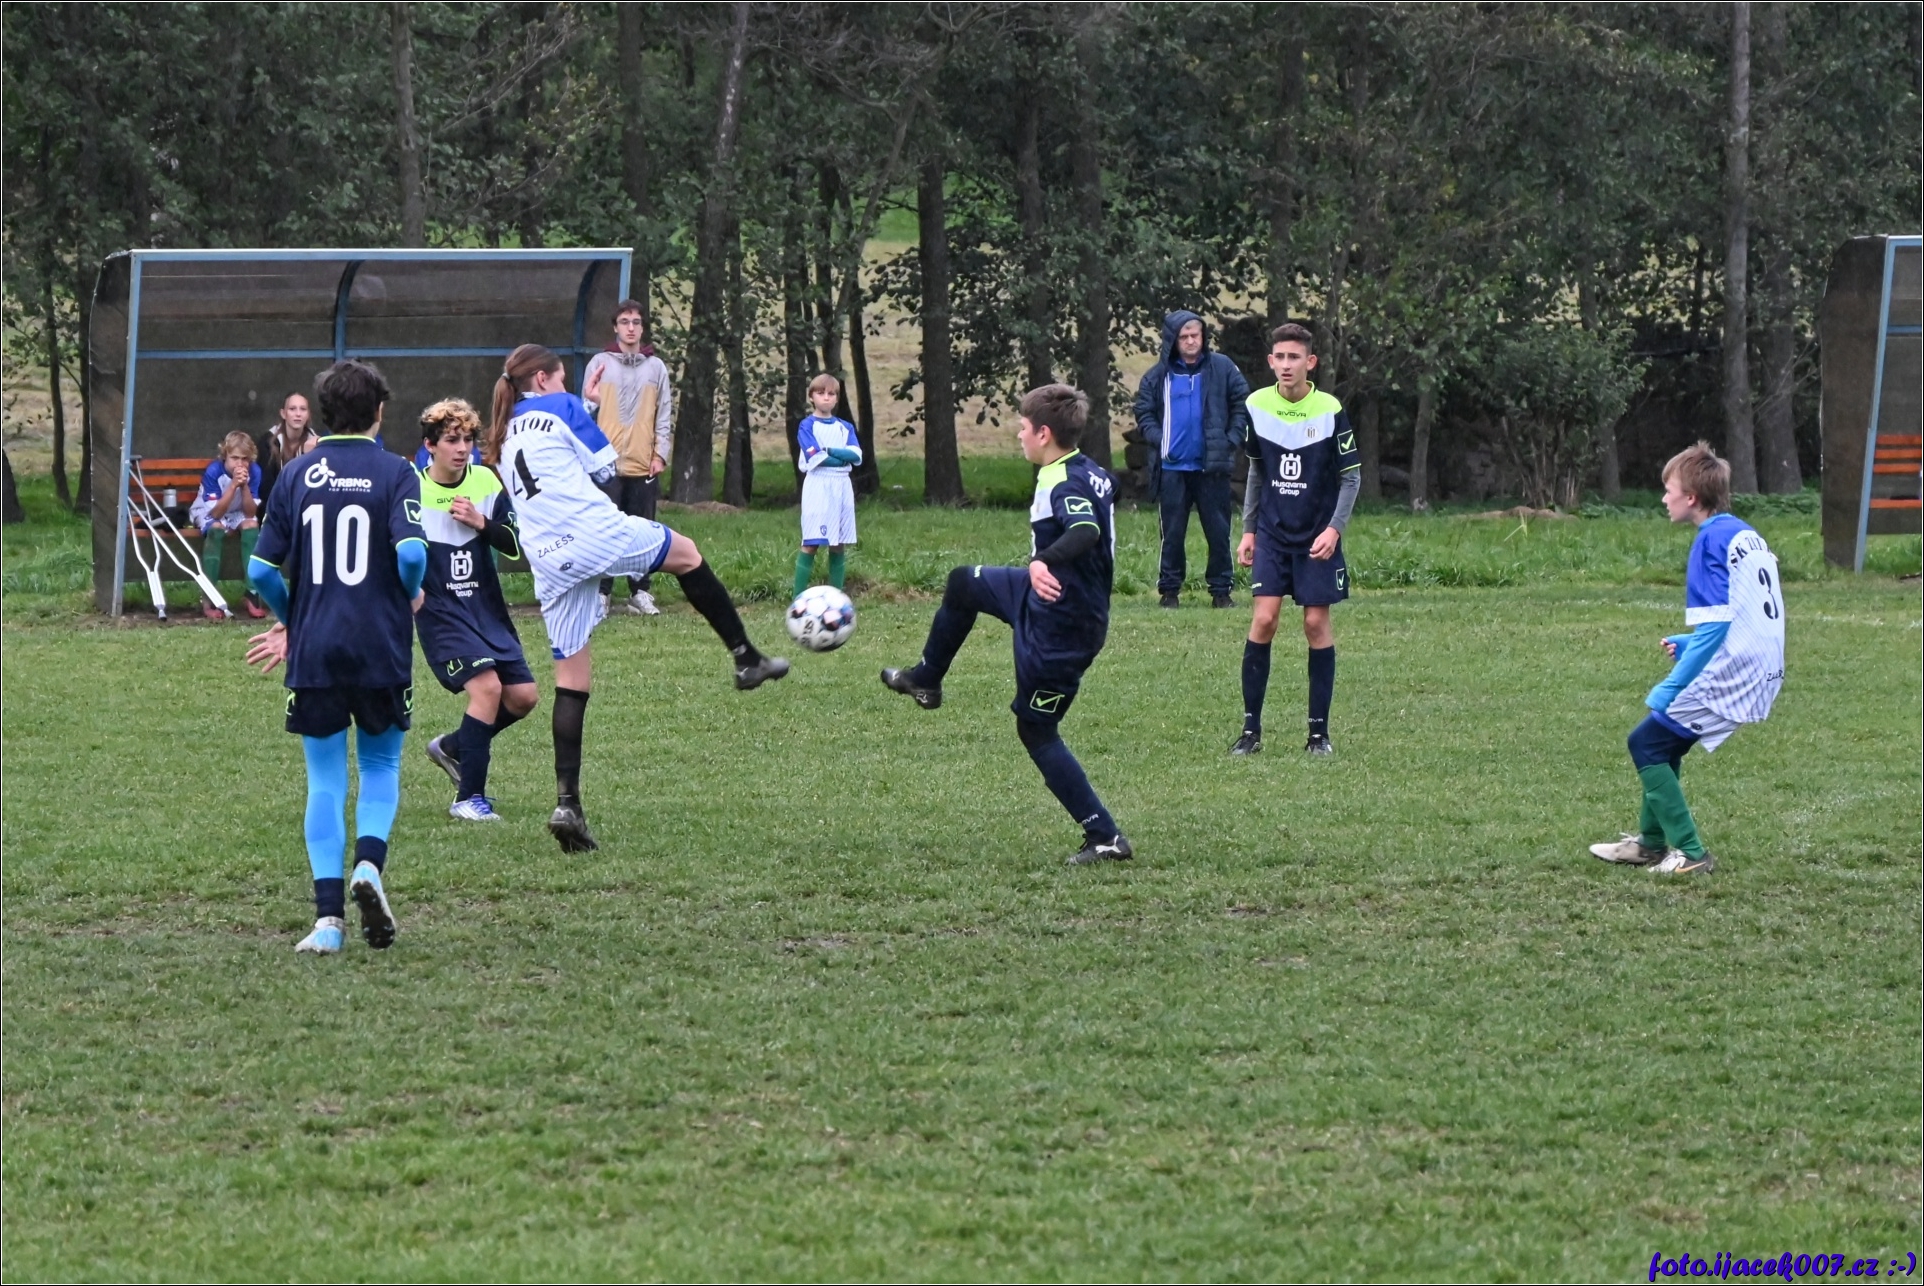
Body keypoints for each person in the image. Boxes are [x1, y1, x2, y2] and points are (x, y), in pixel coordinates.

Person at [486, 343, 789, 854]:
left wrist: (582, 408)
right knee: (687, 555)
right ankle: (746, 657)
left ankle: (567, 804)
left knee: (571, 678)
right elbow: (607, 467)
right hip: (591, 533)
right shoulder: (563, 406)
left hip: (547, 558)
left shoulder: (504, 428)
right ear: (542, 379)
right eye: (561, 379)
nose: (565, 387)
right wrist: (586, 406)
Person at [880, 384, 1132, 867]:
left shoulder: (1065, 483)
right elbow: (1109, 492)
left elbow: (1086, 529)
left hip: (1064, 625)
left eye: (1022, 427)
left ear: (1044, 433)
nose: (1018, 435)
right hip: (1041, 597)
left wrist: (1043, 562)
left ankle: (1105, 836)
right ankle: (926, 679)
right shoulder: (1087, 469)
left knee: (1036, 729)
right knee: (964, 583)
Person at [244, 360, 428, 955]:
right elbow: (411, 557)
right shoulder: (397, 471)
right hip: (380, 643)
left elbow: (259, 571)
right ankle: (369, 867)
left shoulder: (297, 474)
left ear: (323, 413)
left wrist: (293, 618)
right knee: (380, 765)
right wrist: (409, 592)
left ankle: (327, 923)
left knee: (323, 780)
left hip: (317, 647)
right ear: (380, 411)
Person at [1589, 443, 1785, 875]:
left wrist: (1673, 683)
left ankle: (1692, 855)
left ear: (1691, 498)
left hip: (1738, 669)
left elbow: (1715, 628)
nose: (1664, 498)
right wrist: (1690, 641)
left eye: (1669, 490)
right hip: (1762, 662)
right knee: (1665, 743)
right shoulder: (1743, 533)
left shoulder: (1708, 541)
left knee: (1646, 742)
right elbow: (1743, 612)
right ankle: (1650, 843)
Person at [1231, 323, 1360, 758]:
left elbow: (1351, 477)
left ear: (1311, 362)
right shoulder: (1256, 405)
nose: (1286, 365)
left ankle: (1318, 735)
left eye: (1295, 357)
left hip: (1316, 534)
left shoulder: (1329, 409)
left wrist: (1334, 529)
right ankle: (1250, 732)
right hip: (1272, 532)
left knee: (1315, 624)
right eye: (1280, 357)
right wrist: (1249, 530)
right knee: (1264, 620)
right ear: (1271, 361)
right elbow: (1257, 471)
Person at [412, 398, 539, 822]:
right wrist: (407, 594)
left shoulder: (485, 482)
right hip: (441, 613)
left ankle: (452, 747)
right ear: (430, 445)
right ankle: (468, 798)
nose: (462, 448)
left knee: (523, 697)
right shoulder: (411, 490)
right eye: (452, 440)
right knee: (487, 689)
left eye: (467, 439)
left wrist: (481, 523)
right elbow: (391, 551)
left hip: (486, 609)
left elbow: (515, 543)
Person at [1132, 310, 1251, 610]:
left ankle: (1221, 592)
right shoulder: (1158, 376)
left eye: (1194, 335)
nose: (1189, 341)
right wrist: (1160, 439)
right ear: (1172, 340)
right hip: (1172, 468)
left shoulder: (1223, 368)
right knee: (1171, 535)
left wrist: (1231, 440)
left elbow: (1242, 403)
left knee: (1218, 532)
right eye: (1183, 336)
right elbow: (1143, 412)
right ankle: (1169, 592)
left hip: (1212, 467)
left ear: (1203, 336)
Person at [582, 299, 673, 617]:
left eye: (636, 322)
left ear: (643, 328)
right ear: (615, 327)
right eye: (625, 322)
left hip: (643, 463)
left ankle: (640, 592)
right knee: (604, 530)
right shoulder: (600, 363)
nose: (631, 328)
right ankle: (601, 594)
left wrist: (660, 454)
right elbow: (585, 412)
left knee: (643, 531)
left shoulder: (656, 367)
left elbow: (664, 413)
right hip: (606, 465)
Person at [792, 373, 862, 600]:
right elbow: (814, 457)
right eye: (821, 393)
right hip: (818, 486)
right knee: (811, 542)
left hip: (842, 486)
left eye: (831, 394)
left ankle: (836, 597)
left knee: (838, 543)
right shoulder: (807, 425)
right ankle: (797, 599)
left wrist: (830, 451)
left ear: (836, 398)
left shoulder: (845, 427)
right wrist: (840, 457)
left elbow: (856, 455)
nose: (826, 397)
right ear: (811, 396)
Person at [191, 431, 268, 619]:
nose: (240, 464)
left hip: (237, 511)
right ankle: (209, 596)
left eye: (245, 459)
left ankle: (252, 593)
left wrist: (244, 486)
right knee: (216, 530)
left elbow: (250, 512)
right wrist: (233, 485)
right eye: (234, 458)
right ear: (225, 456)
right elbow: (216, 513)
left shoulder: (255, 472)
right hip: (208, 510)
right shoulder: (214, 471)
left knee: (251, 526)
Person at [255, 391, 317, 516]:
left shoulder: (316, 443)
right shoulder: (268, 441)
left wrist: (310, 456)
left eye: (303, 409)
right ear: (283, 413)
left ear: (308, 414)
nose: (298, 414)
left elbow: (317, 486)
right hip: (274, 510)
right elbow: (265, 488)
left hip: (304, 510)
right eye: (292, 409)